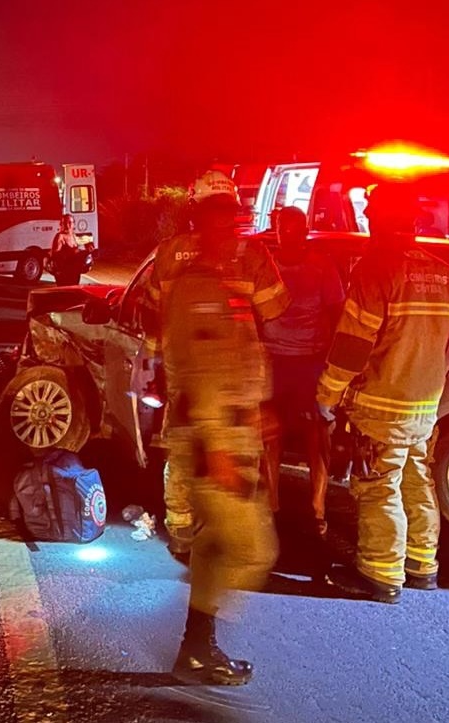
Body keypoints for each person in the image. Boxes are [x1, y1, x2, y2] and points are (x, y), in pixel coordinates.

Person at [145, 175, 291, 685]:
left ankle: (198, 649)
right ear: (203, 223)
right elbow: (204, 368)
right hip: (214, 434)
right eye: (221, 220)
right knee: (252, 549)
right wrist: (218, 445)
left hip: (224, 424)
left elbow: (227, 352)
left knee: (213, 541)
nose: (231, 230)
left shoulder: (218, 274)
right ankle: (199, 644)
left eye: (233, 220)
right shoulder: (204, 284)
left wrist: (254, 408)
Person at [316, 182, 449, 604]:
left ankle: (381, 573)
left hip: (383, 404)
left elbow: (352, 346)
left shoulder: (376, 269)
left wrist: (327, 394)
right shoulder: (446, 274)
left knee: (379, 486)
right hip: (425, 403)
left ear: (376, 219)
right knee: (417, 479)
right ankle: (421, 564)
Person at [260, 206, 345, 536]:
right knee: (270, 434)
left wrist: (334, 363)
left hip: (311, 363)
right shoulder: (266, 265)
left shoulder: (321, 266)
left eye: (297, 228)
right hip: (273, 361)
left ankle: (318, 508)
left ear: (306, 230)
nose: (290, 234)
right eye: (284, 228)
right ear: (277, 230)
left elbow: (337, 312)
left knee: (317, 436)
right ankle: (272, 505)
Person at [49, 213, 84, 286]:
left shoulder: (73, 236)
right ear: (61, 224)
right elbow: (54, 256)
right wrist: (71, 253)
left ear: (74, 224)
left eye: (70, 222)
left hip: (74, 273)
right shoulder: (60, 237)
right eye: (65, 223)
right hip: (64, 274)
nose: (68, 225)